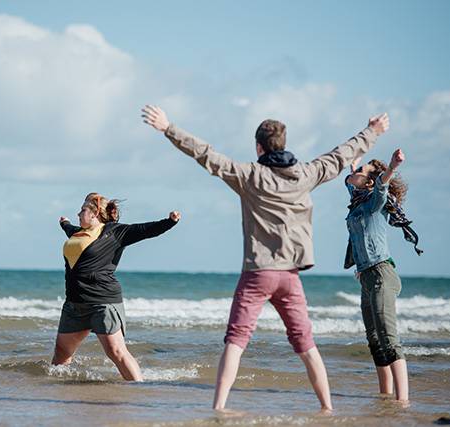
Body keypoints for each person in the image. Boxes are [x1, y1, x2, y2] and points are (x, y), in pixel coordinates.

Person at [142, 104, 390, 411]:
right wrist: (373, 131)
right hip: (289, 276)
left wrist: (168, 128)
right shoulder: (306, 174)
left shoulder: (250, 176)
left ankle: (219, 408)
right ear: (283, 144)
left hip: (258, 273)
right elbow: (342, 155)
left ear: (259, 147)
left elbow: (206, 155)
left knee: (236, 341)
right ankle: (327, 408)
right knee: (306, 345)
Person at [53, 192, 180, 381]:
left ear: (95, 213)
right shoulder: (77, 233)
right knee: (61, 353)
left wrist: (169, 222)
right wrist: (64, 223)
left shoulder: (115, 232)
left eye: (83, 210)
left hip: (103, 303)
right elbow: (69, 228)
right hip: (75, 304)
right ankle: (61, 394)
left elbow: (145, 230)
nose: (79, 214)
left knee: (116, 352)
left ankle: (139, 390)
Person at [344, 148, 419, 402]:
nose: (354, 172)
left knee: (389, 338)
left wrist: (392, 166)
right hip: (366, 277)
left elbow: (381, 186)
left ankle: (403, 402)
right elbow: (351, 177)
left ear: (368, 182)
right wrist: (355, 159)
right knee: (374, 340)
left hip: (381, 273)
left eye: (360, 171)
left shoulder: (374, 201)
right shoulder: (357, 200)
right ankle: (385, 397)